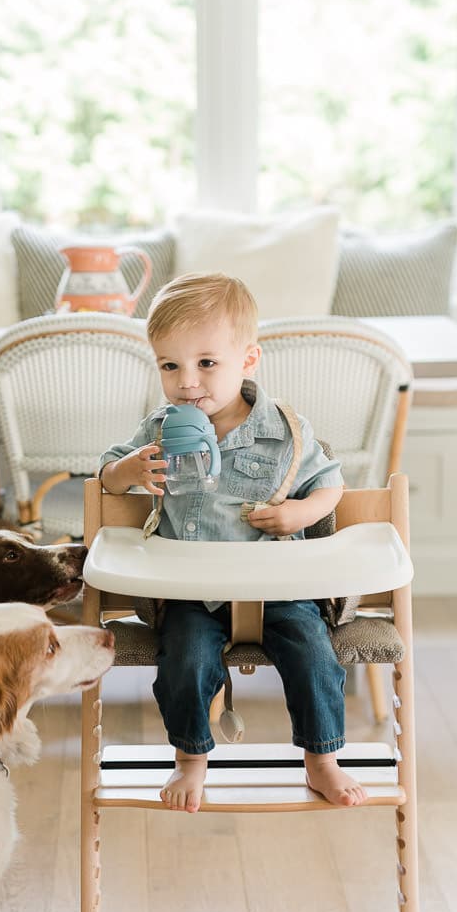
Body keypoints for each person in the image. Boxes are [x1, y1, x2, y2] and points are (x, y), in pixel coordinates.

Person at [98, 271, 368, 813]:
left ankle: (322, 758)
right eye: (170, 366)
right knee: (186, 660)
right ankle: (191, 759)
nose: (187, 382)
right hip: (189, 589)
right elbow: (106, 476)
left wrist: (299, 513)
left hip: (277, 586)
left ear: (248, 360)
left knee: (313, 654)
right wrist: (129, 470)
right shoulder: (160, 428)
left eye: (206, 363)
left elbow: (331, 484)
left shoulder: (284, 429)